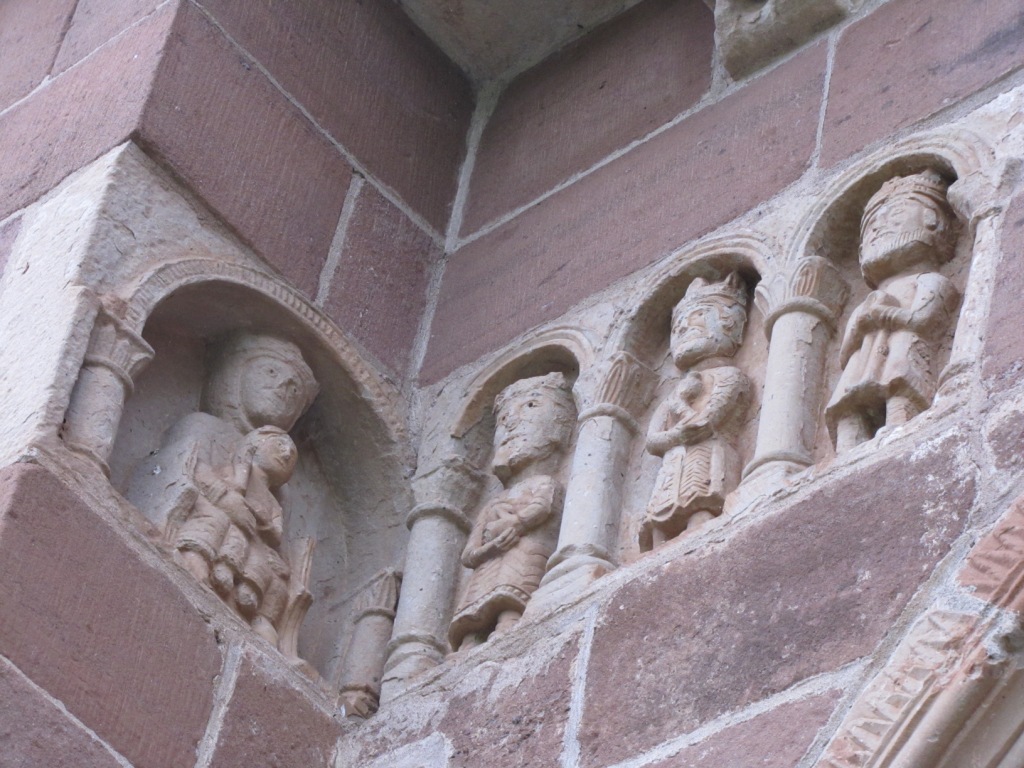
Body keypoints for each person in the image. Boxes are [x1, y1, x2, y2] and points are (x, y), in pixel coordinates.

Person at [827, 170, 960, 452]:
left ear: (933, 222)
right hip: (863, 359)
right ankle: (848, 442)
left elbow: (924, 320)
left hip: (903, 347)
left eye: (895, 216)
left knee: (900, 378)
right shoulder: (868, 300)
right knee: (847, 399)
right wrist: (860, 325)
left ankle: (900, 421)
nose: (879, 229)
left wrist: (887, 316)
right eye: (872, 226)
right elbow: (844, 352)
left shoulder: (930, 281)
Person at [639, 273, 750, 551]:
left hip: (707, 454)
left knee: (700, 505)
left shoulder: (729, 376)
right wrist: (678, 416)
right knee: (660, 521)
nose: (684, 327)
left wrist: (681, 403)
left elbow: (704, 423)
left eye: (699, 315)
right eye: (678, 325)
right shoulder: (677, 392)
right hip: (672, 463)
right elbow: (653, 440)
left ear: (731, 325)